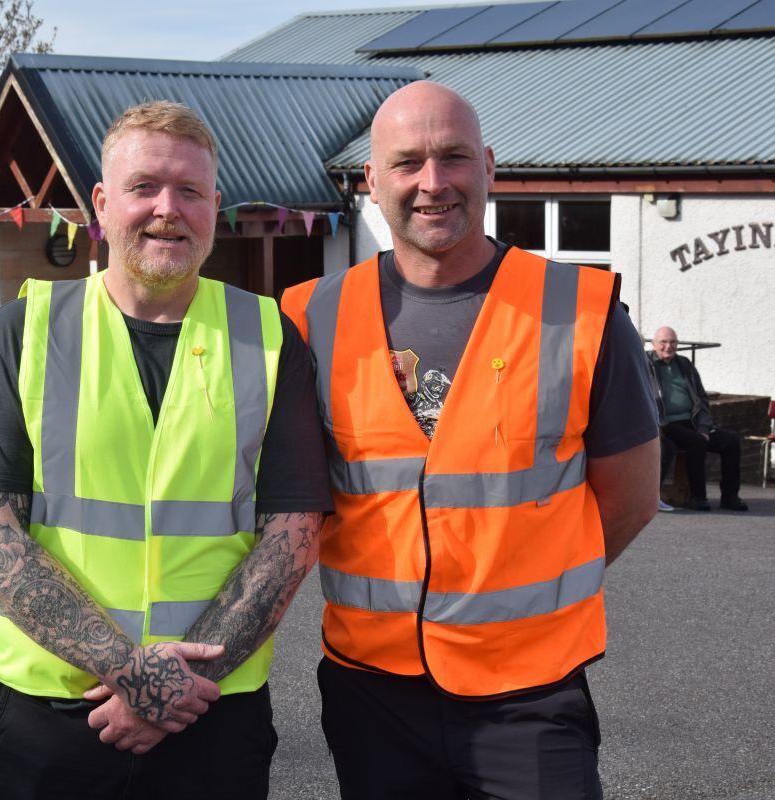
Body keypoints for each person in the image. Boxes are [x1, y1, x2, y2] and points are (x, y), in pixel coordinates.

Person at [281, 81, 660, 800]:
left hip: (532, 693)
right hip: (372, 694)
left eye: (453, 157)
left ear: (489, 166)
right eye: (407, 162)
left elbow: (632, 500)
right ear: (371, 181)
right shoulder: (309, 317)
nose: (433, 183)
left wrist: (520, 580)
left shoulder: (581, 311)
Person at [0, 101, 332, 800]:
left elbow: (293, 537)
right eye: (144, 187)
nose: (167, 209)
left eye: (189, 191)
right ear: (100, 202)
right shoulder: (22, 332)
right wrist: (131, 674)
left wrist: (172, 689)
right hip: (43, 720)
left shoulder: (271, 338)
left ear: (215, 205)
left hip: (211, 721)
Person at [649, 326, 749, 511]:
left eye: (673, 342)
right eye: (663, 342)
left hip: (693, 421)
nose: (668, 346)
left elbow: (701, 398)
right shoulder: (648, 365)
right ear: (654, 344)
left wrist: (704, 427)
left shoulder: (684, 364)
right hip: (666, 424)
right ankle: (698, 497)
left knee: (731, 442)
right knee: (696, 442)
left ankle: (730, 497)